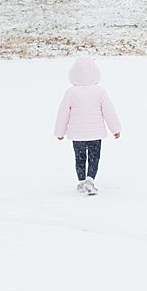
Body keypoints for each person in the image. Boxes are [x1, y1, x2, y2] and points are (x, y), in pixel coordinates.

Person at [53, 55, 121, 195]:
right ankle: (90, 179)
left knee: (80, 158)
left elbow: (63, 114)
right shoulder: (99, 91)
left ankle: (81, 181)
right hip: (95, 134)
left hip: (77, 135)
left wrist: (60, 133)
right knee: (94, 157)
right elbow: (109, 111)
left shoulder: (70, 92)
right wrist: (115, 129)